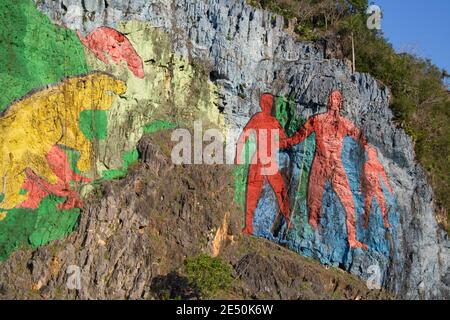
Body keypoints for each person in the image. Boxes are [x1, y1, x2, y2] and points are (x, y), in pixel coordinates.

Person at [289, 90, 370, 249]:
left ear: (340, 102)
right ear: (328, 100)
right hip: (319, 162)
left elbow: (361, 138)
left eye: (338, 98)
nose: (334, 100)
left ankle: (352, 239)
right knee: (313, 202)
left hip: (336, 164)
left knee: (348, 202)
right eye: (332, 97)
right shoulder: (317, 120)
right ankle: (311, 236)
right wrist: (284, 142)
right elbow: (297, 137)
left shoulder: (345, 123)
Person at [236, 93, 296, 235]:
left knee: (277, 190)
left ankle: (287, 219)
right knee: (254, 192)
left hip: (264, 160)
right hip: (262, 160)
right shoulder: (266, 120)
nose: (267, 106)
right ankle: (249, 226)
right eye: (266, 103)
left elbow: (283, 141)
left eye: (268, 103)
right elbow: (244, 136)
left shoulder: (270, 121)